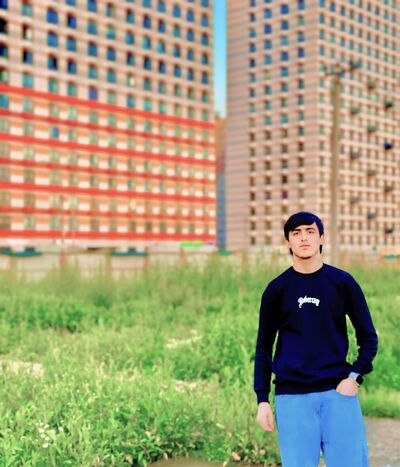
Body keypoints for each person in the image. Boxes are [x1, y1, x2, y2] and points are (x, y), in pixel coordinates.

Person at [253, 211, 378, 467]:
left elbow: (368, 337)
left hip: (338, 394)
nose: (304, 238)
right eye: (296, 233)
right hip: (292, 398)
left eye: (310, 231)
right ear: (288, 241)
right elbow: (263, 349)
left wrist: (354, 377)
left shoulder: (342, 282)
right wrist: (262, 399)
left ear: (321, 237)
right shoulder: (277, 290)